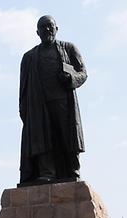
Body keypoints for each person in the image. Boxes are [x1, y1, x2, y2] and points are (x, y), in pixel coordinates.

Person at [19, 15, 87, 186]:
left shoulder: (69, 48)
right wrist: (24, 110)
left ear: (57, 28)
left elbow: (83, 73)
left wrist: (71, 78)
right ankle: (46, 173)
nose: (47, 29)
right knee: (42, 139)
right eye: (43, 27)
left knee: (67, 136)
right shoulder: (29, 57)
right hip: (38, 104)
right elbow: (23, 88)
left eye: (50, 26)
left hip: (63, 102)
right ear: (37, 32)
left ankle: (72, 170)